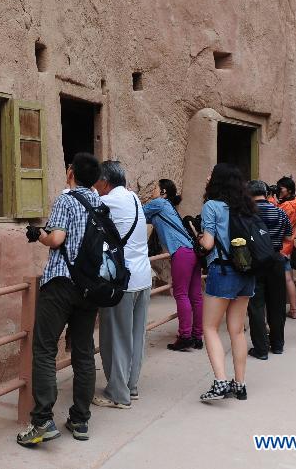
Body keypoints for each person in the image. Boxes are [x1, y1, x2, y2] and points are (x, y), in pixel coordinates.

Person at [17, 153, 102, 446]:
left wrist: (39, 234)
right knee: (83, 351)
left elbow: (57, 239)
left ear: (71, 173)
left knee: (44, 349)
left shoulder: (66, 200)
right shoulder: (98, 203)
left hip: (61, 283)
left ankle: (42, 421)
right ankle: (80, 419)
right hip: (90, 287)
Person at [93, 161, 150, 409]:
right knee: (136, 335)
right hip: (142, 277)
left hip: (121, 282)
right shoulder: (134, 198)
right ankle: (131, 385)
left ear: (105, 182)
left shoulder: (107, 202)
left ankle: (117, 394)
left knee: (115, 337)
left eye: (96, 181)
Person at [198, 163, 256, 402]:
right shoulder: (246, 206)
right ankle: (239, 384)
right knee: (237, 330)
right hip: (246, 272)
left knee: (210, 328)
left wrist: (200, 237)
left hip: (222, 271)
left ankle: (220, 382)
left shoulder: (212, 206)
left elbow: (208, 244)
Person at [143, 179, 203, 351]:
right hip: (192, 251)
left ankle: (185, 336)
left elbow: (137, 213)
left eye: (155, 188)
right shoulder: (166, 207)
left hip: (181, 252)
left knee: (181, 293)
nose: (152, 191)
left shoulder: (159, 203)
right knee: (195, 296)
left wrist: (129, 196)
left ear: (163, 192)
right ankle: (197, 336)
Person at [246, 181, 291, 359]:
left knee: (256, 306)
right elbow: (288, 236)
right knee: (277, 304)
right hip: (275, 260)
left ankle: (261, 349)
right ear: (266, 193)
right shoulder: (279, 212)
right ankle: (278, 344)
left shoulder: (247, 213)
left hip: (255, 262)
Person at [276, 176, 296, 319]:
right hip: (289, 244)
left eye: (281, 188)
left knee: (284, 279)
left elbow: (276, 223)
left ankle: (290, 310)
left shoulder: (285, 206)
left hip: (281, 245)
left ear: (289, 190)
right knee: (289, 279)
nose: (279, 190)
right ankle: (294, 310)